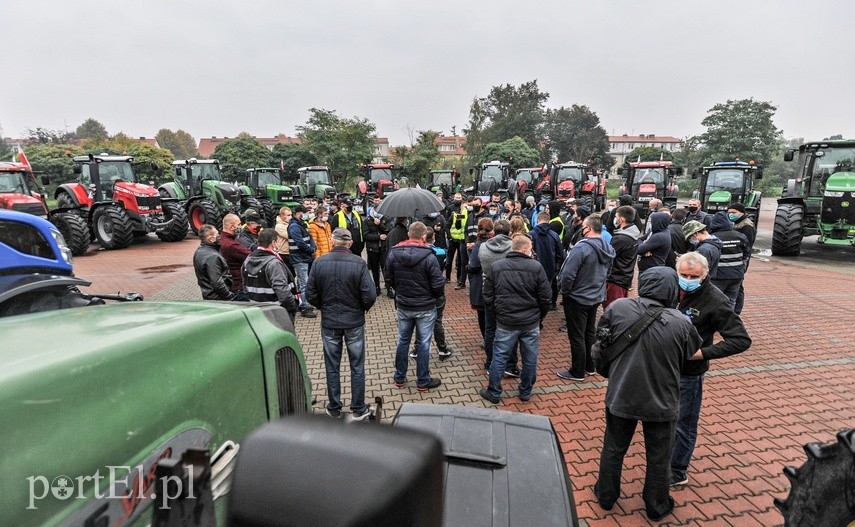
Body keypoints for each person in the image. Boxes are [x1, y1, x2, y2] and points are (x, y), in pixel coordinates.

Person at [593, 267, 702, 521]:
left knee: (613, 447)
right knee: (659, 456)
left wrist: (611, 373)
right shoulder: (681, 323)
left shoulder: (617, 308)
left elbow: (600, 346)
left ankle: (606, 495)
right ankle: (656, 505)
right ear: (671, 290)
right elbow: (693, 361)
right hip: (662, 400)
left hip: (621, 394)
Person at [670, 252, 751, 487]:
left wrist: (702, 353)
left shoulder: (716, 300)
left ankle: (677, 470)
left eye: (692, 276)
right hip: (665, 368)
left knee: (683, 423)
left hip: (689, 374)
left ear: (704, 275)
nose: (686, 279)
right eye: (683, 274)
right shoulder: (670, 288)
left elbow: (740, 340)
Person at [305, 228, 377, 420]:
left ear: (332, 241)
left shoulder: (319, 263)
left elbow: (310, 294)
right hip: (353, 321)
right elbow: (369, 295)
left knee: (332, 365)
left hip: (329, 321)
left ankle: (334, 407)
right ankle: (359, 407)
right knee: (357, 365)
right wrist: (360, 309)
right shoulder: (359, 263)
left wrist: (325, 307)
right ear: (350, 243)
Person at [480, 235, 552, 404]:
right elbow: (546, 298)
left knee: (499, 356)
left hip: (506, 321)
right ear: (526, 249)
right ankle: (525, 391)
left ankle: (494, 392)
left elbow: (488, 295)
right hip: (530, 322)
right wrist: (539, 316)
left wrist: (496, 313)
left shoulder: (497, 267)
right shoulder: (536, 267)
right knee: (530, 357)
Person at [385, 221, 446, 392]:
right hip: (425, 306)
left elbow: (388, 277)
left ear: (409, 234)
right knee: (424, 343)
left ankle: (399, 377)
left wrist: (400, 291)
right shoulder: (429, 256)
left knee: (403, 341)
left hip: (404, 305)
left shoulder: (393, 253)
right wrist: (431, 295)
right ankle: (423, 380)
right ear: (424, 236)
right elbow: (437, 284)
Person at [557, 215, 615, 381]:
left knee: (576, 335)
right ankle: (590, 365)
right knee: (589, 332)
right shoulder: (607, 247)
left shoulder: (580, 248)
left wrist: (565, 291)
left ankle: (577, 371)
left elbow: (568, 274)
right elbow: (608, 272)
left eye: (583, 226)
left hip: (577, 298)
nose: (581, 229)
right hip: (595, 296)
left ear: (588, 228)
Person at [478, 220, 514, 374]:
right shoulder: (514, 247)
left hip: (489, 291)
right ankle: (510, 365)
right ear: (509, 232)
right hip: (509, 291)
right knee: (510, 329)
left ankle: (490, 362)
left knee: (490, 329)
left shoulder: (483, 247)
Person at [241, 229, 299, 322]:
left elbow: (245, 285)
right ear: (273, 242)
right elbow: (282, 290)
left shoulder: (248, 260)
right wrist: (292, 305)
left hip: (257, 310)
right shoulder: (273, 263)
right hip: (277, 312)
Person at [707, 211, 750, 306]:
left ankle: (715, 320)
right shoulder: (740, 236)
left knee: (714, 301)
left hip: (719, 275)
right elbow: (746, 254)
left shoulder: (712, 237)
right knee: (731, 301)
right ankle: (729, 319)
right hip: (737, 274)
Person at [604, 206, 640, 309]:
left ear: (622, 219)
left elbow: (607, 256)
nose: (614, 219)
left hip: (615, 279)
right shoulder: (633, 234)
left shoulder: (621, 238)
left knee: (612, 309)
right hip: (624, 278)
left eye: (616, 216)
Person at [467, 217, 493, 354]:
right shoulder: (495, 243)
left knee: (483, 317)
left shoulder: (479, 245)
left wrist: (467, 267)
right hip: (495, 284)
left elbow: (474, 265)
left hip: (480, 283)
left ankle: (487, 341)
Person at [530, 211, 566, 311]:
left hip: (533, 268)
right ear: (548, 220)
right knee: (547, 289)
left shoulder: (531, 234)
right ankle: (547, 306)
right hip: (550, 268)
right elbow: (560, 254)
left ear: (538, 220)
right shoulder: (554, 235)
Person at [287, 204, 318, 318]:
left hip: (304, 257)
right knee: (303, 284)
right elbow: (300, 243)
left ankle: (305, 303)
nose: (307, 215)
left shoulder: (302, 224)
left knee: (303, 282)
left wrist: (313, 247)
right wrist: (311, 249)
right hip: (299, 258)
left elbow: (309, 238)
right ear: (299, 213)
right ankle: (305, 307)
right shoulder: (294, 226)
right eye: (305, 213)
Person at [193, 224, 236, 301]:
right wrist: (230, 298)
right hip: (218, 299)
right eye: (217, 234)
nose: (219, 236)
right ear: (211, 239)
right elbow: (217, 282)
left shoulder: (199, 251)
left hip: (209, 297)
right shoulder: (212, 256)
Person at [727, 202, 756, 314]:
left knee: (738, 286)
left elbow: (747, 245)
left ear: (742, 212)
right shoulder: (736, 223)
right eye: (729, 212)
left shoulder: (746, 226)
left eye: (734, 212)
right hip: (737, 258)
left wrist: (743, 260)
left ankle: (737, 310)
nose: (731, 215)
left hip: (741, 260)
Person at [219, 213, 251, 299]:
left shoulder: (223, 239)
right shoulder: (231, 245)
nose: (241, 227)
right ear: (232, 227)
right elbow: (251, 256)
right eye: (239, 224)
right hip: (239, 286)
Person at [363, 209, 389, 295]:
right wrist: (378, 237)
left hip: (383, 249)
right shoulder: (367, 221)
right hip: (372, 249)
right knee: (375, 269)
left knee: (385, 268)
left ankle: (388, 287)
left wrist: (380, 224)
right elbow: (366, 235)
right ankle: (377, 286)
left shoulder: (385, 219)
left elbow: (387, 230)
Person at [446, 195, 469, 288]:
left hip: (462, 240)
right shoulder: (456, 215)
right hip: (453, 240)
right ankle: (447, 277)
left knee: (460, 261)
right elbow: (449, 225)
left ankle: (459, 278)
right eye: (464, 207)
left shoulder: (469, 215)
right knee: (449, 259)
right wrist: (449, 237)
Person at [273, 206, 294, 275]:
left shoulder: (290, 224)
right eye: (288, 215)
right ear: (282, 215)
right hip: (284, 253)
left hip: (291, 252)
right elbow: (290, 236)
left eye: (291, 215)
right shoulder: (279, 226)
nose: (290, 217)